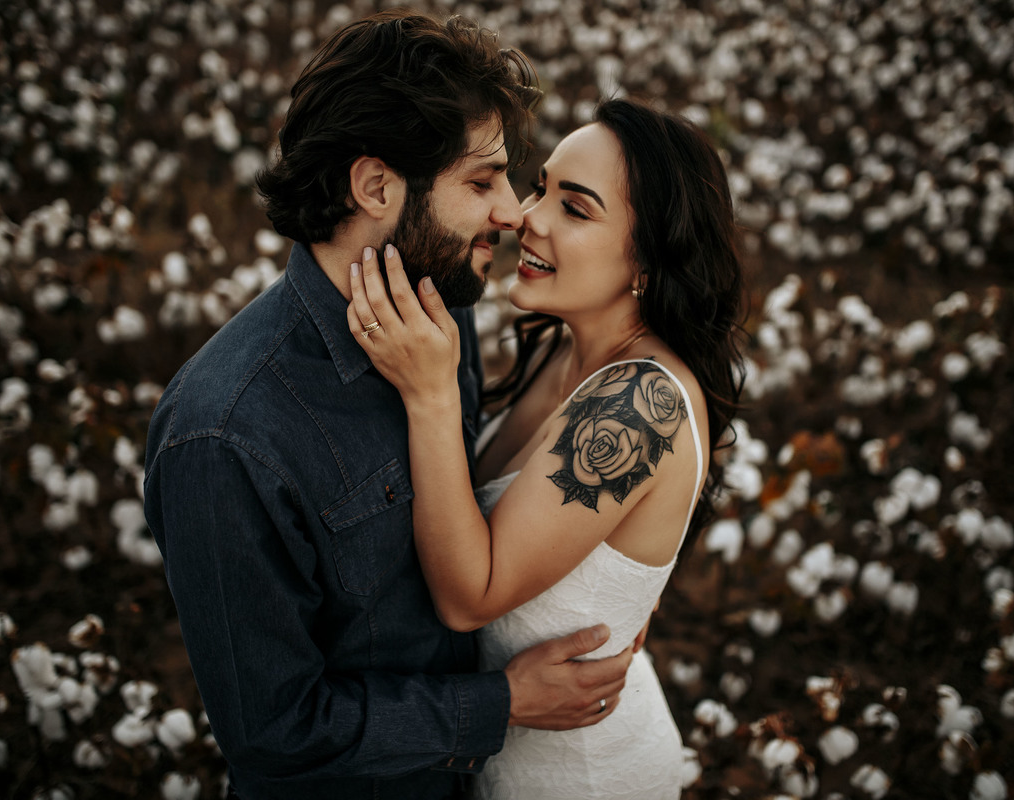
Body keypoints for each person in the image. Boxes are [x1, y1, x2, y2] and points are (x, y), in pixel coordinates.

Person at [143, 12, 637, 800]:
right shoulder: (224, 435)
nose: (513, 212)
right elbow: (274, 732)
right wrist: (501, 704)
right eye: (480, 182)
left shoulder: (446, 307)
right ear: (375, 187)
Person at [346, 97, 747, 799]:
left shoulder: (637, 405)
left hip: (583, 778)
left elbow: (472, 597)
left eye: (577, 208)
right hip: (509, 752)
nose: (527, 216)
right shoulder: (568, 353)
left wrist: (431, 396)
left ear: (648, 263)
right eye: (543, 188)